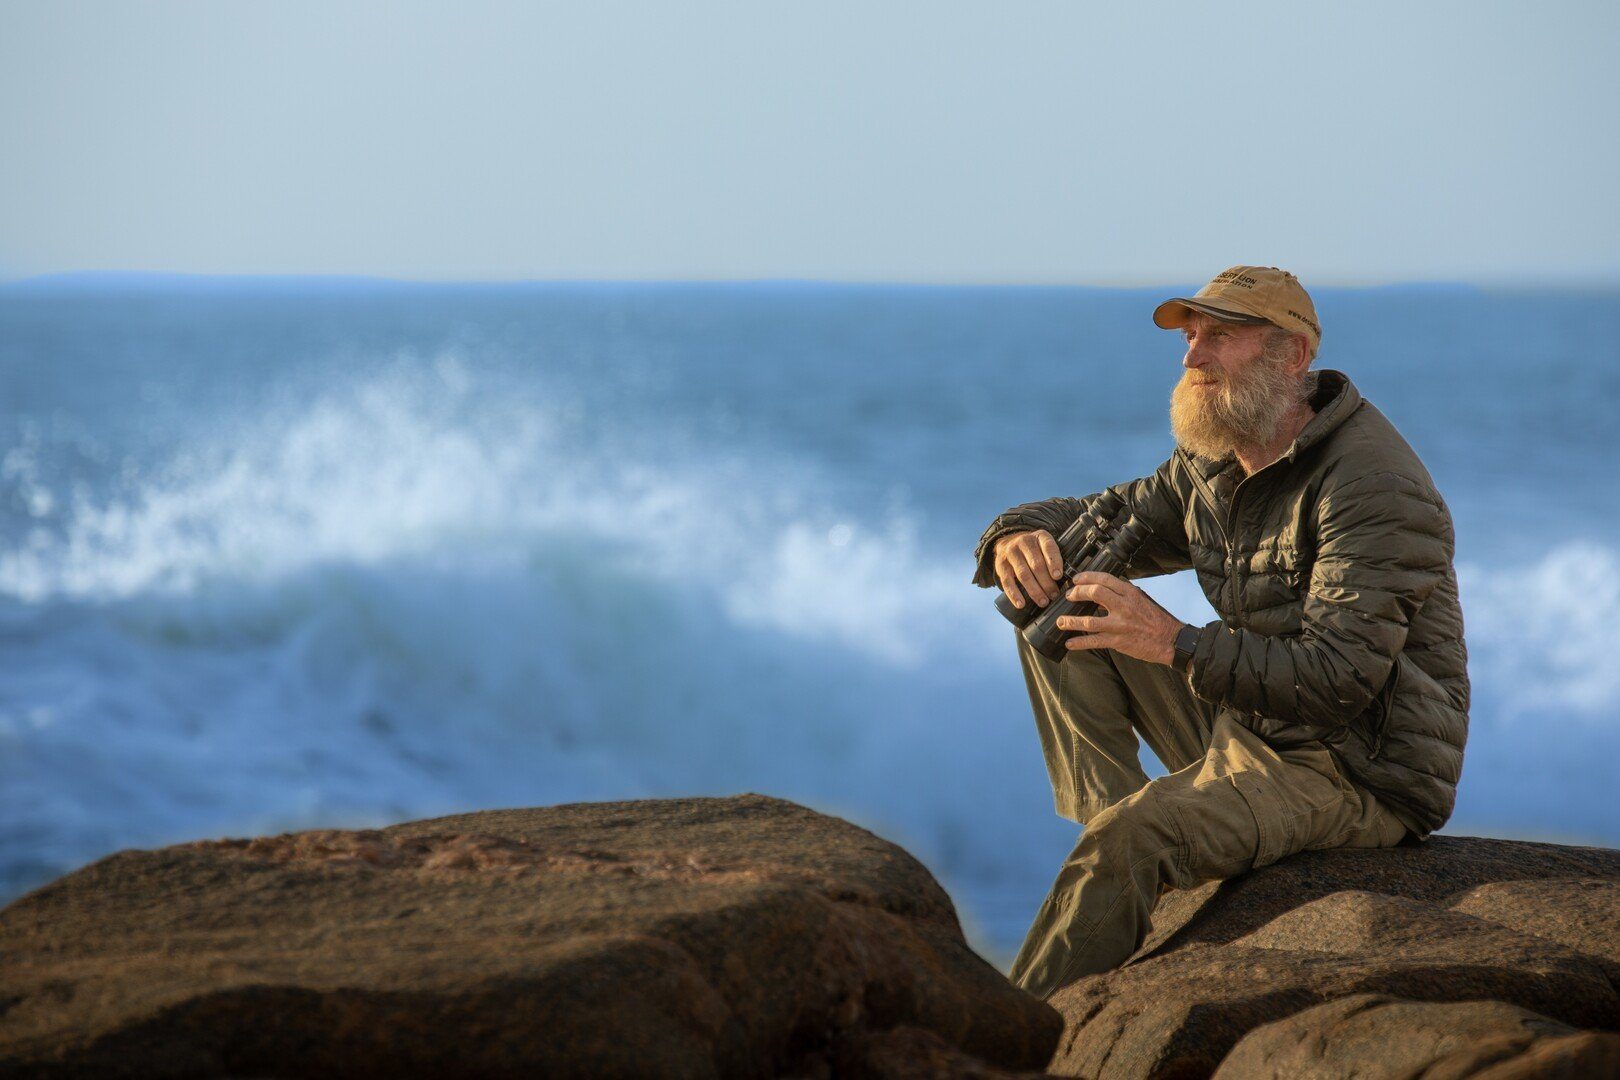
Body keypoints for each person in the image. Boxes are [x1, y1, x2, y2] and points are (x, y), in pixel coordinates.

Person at [971, 266, 1469, 1000]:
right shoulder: (1217, 462)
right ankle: (1126, 848)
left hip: (1354, 767)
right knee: (1055, 615)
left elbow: (1337, 679)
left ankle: (1014, 1039)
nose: (1191, 357)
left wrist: (1173, 641)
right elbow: (1097, 519)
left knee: (1134, 838)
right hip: (1257, 725)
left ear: (1291, 357)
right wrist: (1011, 539)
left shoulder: (1372, 486)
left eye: (1218, 338)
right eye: (1190, 336)